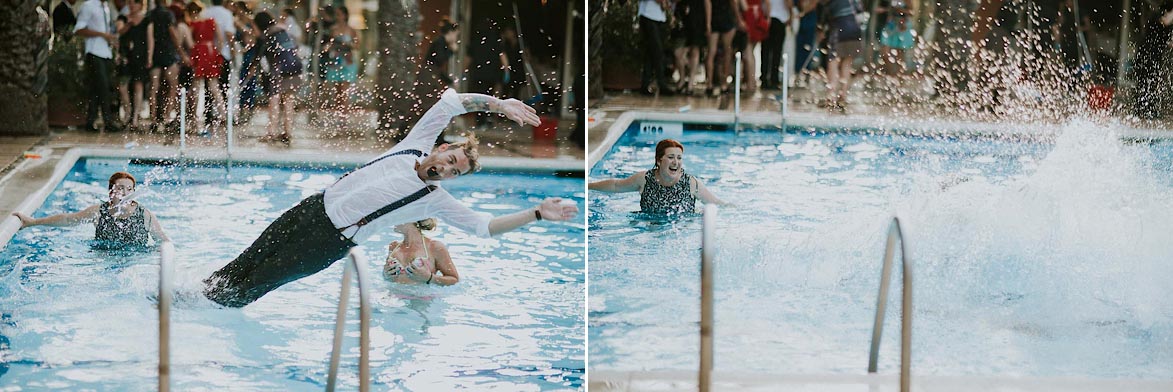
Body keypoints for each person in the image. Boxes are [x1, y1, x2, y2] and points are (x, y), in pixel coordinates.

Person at [201, 88, 578, 307]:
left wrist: (537, 214)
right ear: (442, 147)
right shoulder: (414, 145)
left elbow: (485, 227)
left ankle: (208, 319)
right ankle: (187, 301)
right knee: (243, 262)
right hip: (310, 209)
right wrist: (499, 105)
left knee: (256, 283)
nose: (447, 169)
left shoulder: (433, 199)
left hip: (328, 242)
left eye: (455, 172)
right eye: (450, 160)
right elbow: (452, 104)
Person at [11, 172, 170, 249]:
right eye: (120, 188)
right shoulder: (99, 212)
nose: (125, 193)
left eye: (130, 189)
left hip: (135, 265)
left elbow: (162, 241)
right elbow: (68, 220)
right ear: (110, 192)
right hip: (102, 262)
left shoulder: (144, 215)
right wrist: (33, 222)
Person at [588, 139, 726, 215]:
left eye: (679, 158)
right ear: (659, 160)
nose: (675, 162)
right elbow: (616, 185)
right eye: (670, 157)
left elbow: (716, 203)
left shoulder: (691, 183)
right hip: (650, 230)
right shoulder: (645, 179)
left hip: (681, 233)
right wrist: (588, 186)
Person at [249, 11, 303, 143]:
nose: (252, 30)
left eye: (253, 27)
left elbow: (258, 56)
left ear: (259, 25)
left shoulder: (265, 36)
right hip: (295, 66)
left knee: (274, 99)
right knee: (288, 99)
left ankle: (271, 133)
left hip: (280, 69)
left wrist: (251, 71)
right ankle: (287, 132)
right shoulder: (282, 31)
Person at [75, 0, 123, 133]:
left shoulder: (106, 7)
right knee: (103, 87)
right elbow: (79, 29)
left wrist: (110, 39)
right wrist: (102, 35)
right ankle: (107, 122)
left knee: (96, 89)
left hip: (105, 53)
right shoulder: (88, 6)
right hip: (94, 52)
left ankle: (90, 121)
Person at [187, 1, 226, 135]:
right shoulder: (211, 22)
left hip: (199, 53)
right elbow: (220, 39)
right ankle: (224, 115)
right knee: (214, 87)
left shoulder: (192, 25)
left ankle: (193, 118)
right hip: (210, 52)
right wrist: (216, 52)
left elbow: (190, 42)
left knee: (196, 87)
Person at [383, 219, 459, 286]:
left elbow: (454, 280)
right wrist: (386, 274)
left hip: (421, 299)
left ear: (412, 218)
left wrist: (430, 278)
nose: (391, 217)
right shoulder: (393, 246)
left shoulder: (435, 247)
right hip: (394, 297)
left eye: (397, 215)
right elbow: (387, 279)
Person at [820, 0, 864, 111]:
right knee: (846, 64)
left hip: (839, 28)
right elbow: (860, 13)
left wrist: (821, 30)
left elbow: (823, 19)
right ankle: (843, 97)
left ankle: (831, 97)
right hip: (854, 29)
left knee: (833, 61)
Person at [147, 0, 182, 132]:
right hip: (168, 53)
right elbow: (173, 34)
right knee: (173, 86)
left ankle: (154, 120)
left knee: (153, 88)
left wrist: (149, 57)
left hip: (155, 54)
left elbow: (149, 36)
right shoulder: (168, 14)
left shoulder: (150, 14)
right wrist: (181, 53)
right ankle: (167, 117)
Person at [1134, 2, 1173, 120]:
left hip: (1155, 54)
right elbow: (1164, 21)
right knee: (1145, 80)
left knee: (1152, 81)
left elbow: (1170, 42)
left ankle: (1148, 109)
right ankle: (1142, 110)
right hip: (1146, 53)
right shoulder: (1159, 14)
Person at [115, 1, 149, 131]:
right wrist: (129, 24)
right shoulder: (123, 18)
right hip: (125, 57)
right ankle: (128, 112)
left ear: (141, 4)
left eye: (135, 2)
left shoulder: (146, 20)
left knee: (138, 86)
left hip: (140, 56)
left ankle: (135, 118)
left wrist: (149, 56)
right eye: (130, 2)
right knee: (122, 86)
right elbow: (120, 31)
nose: (132, 5)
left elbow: (150, 38)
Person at [324, 6, 359, 118]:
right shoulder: (333, 29)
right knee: (337, 91)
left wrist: (348, 44)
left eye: (339, 14)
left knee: (344, 90)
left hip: (347, 61)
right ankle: (338, 114)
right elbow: (329, 44)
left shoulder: (351, 30)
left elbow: (357, 45)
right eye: (336, 14)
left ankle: (344, 115)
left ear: (345, 15)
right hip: (336, 61)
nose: (337, 17)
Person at [707, 0, 742, 97]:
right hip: (726, 18)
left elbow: (708, 3)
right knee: (727, 51)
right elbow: (733, 3)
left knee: (711, 52)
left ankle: (709, 83)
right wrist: (739, 19)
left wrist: (708, 23)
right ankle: (724, 84)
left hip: (714, 18)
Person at [638, 0, 673, 96]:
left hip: (660, 17)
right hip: (648, 15)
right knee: (657, 51)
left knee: (651, 53)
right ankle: (661, 84)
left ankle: (645, 85)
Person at [760, 0, 792, 90]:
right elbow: (788, 3)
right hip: (780, 18)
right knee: (777, 52)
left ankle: (764, 79)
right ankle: (774, 79)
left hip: (767, 19)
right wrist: (791, 14)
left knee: (765, 51)